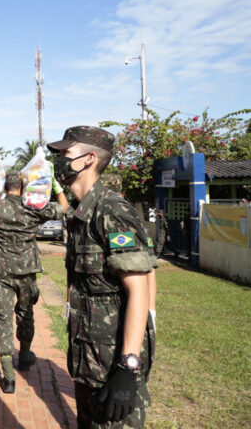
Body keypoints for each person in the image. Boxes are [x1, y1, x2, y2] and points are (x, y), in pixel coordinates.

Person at [47, 126, 155, 428]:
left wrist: (128, 367)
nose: (58, 160)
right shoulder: (82, 212)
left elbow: (139, 288)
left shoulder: (111, 210)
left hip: (113, 366)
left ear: (88, 158)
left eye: (66, 154)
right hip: (88, 361)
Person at [0, 169, 69, 393]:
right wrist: (56, 186)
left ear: (4, 186)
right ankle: (25, 356)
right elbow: (63, 208)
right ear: (24, 187)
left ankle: (8, 378)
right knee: (26, 312)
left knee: (3, 319)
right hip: (27, 270)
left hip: (3, 271)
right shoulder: (34, 206)